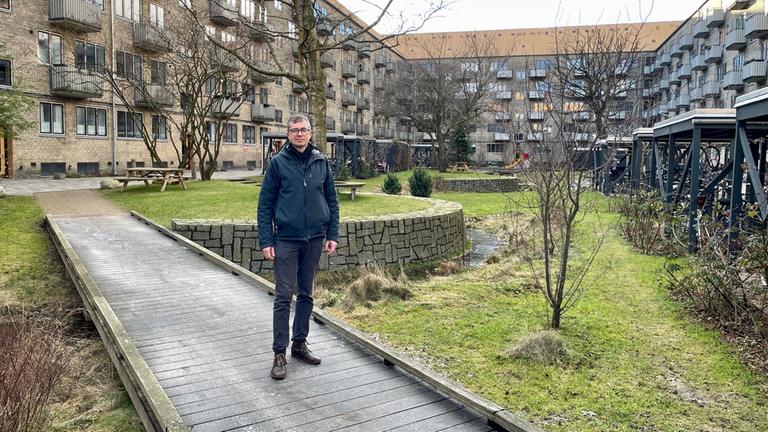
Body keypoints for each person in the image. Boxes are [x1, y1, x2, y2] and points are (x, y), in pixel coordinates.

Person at [257, 114, 339, 380]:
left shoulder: (321, 162)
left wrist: (332, 234)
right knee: (283, 296)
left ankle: (299, 344)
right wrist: (267, 240)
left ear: (311, 133)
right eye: (294, 130)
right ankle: (279, 352)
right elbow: (265, 205)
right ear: (288, 135)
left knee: (306, 294)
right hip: (286, 240)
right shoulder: (278, 164)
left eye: (304, 130)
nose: (300, 134)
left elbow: (332, 201)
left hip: (315, 238)